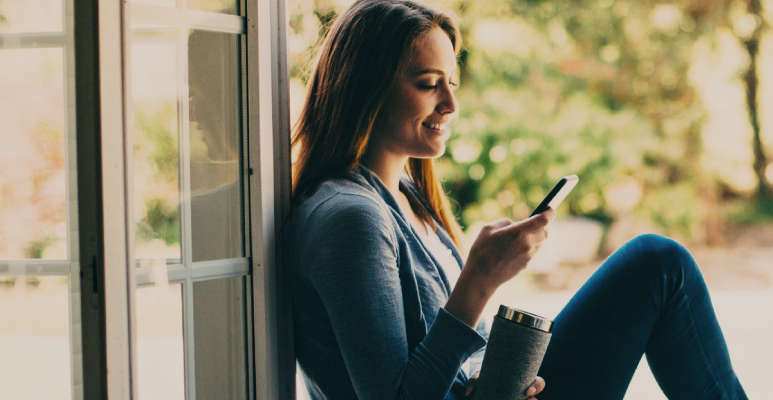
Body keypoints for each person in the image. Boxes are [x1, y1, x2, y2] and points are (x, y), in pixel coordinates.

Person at [286, 1, 749, 399]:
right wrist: (479, 280)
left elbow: (443, 360)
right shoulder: (350, 220)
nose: (451, 103)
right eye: (429, 84)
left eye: (452, 81)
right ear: (366, 89)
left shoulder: (404, 197)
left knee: (660, 265)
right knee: (659, 265)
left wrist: (497, 375)